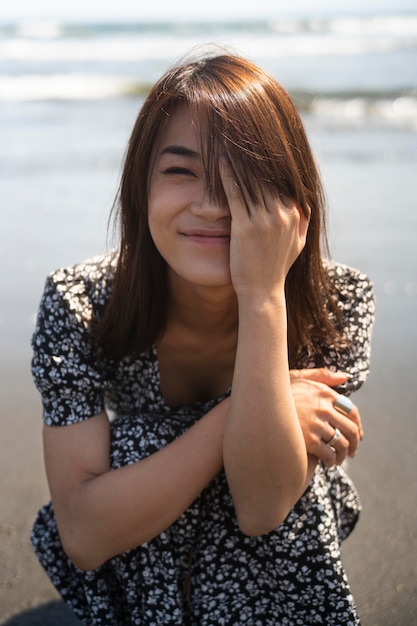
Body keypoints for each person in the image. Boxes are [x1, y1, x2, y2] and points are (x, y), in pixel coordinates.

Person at [31, 50, 375, 626]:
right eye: (182, 170)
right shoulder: (82, 301)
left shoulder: (333, 302)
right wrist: (237, 412)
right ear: (140, 189)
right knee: (144, 444)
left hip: (268, 543)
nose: (214, 205)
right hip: (136, 533)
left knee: (289, 475)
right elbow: (84, 535)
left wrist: (263, 293)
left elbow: (265, 508)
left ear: (293, 202)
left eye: (244, 178)